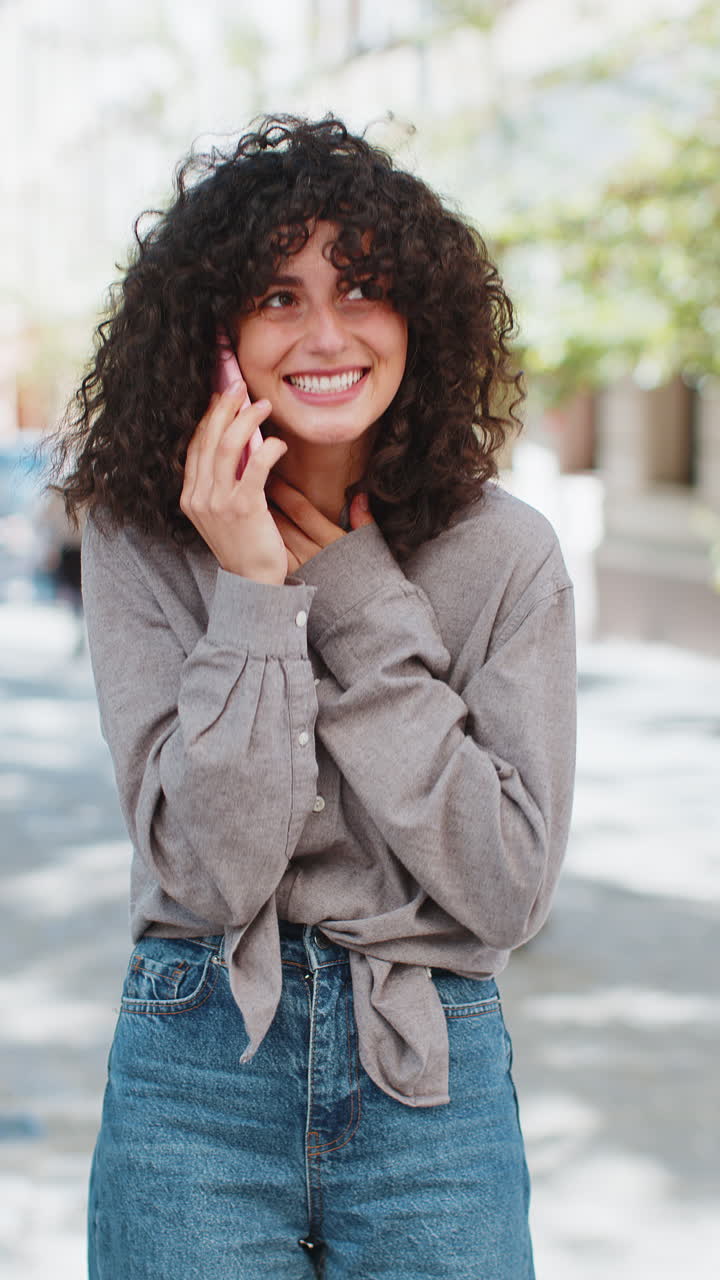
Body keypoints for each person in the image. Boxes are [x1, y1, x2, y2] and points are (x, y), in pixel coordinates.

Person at [54, 114, 576, 1279]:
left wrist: (343, 591)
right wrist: (248, 591)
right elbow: (209, 874)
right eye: (280, 297)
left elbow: (505, 884)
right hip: (199, 1061)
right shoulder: (143, 542)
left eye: (364, 290)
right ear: (217, 333)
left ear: (418, 318)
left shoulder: (507, 553)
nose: (327, 332)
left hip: (430, 1066)